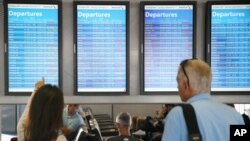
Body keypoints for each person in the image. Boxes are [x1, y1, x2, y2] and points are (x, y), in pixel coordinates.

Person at [162, 59, 245, 141]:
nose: (177, 87)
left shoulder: (177, 115)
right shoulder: (235, 116)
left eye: (178, 82)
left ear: (185, 85)